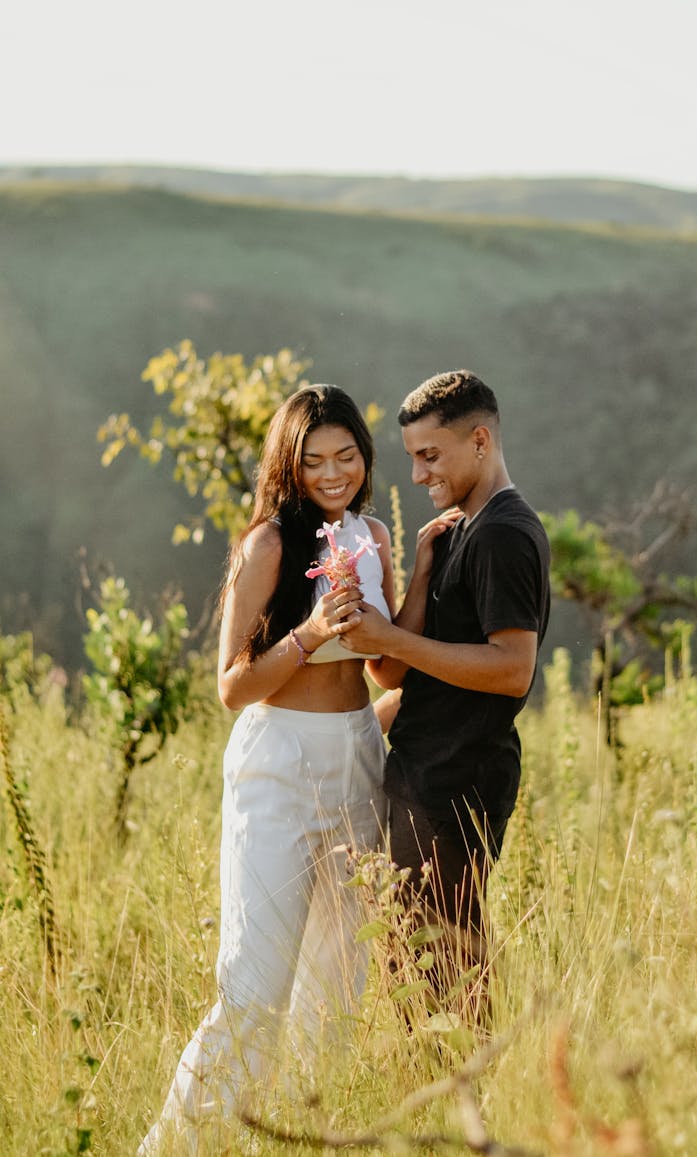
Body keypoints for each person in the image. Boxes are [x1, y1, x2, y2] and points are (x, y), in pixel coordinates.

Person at [138, 384, 396, 1155]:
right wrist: (313, 631)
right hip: (277, 763)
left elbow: (386, 672)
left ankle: (299, 1141)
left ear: (364, 458)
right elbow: (231, 685)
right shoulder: (267, 547)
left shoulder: (375, 535)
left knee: (338, 989)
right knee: (254, 985)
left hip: (357, 754)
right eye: (314, 459)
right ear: (288, 463)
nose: (332, 472)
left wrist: (405, 590)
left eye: (347, 455)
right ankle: (178, 1146)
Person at [342, 369, 550, 967]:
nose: (418, 474)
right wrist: (425, 571)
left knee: (444, 977)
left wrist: (390, 640)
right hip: (424, 776)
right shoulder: (462, 533)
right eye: (411, 457)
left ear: (480, 442)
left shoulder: (504, 535)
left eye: (430, 455)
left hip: (456, 786)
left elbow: (513, 669)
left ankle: (470, 1068)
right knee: (413, 966)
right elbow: (405, 678)